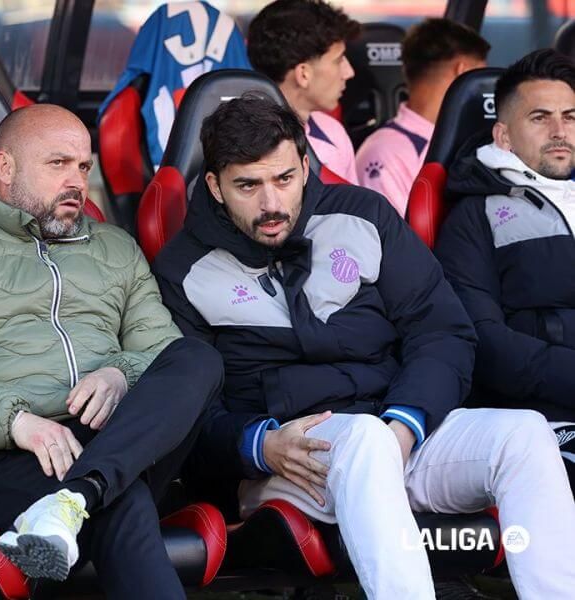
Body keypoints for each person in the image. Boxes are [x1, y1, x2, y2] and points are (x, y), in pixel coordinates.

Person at [153, 93, 575, 599]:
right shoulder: (182, 269)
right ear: (216, 187)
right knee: (367, 442)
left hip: (398, 431)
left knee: (525, 434)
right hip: (288, 457)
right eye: (249, 185)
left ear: (306, 166)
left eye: (285, 179)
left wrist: (408, 421)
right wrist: (257, 444)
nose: (272, 204)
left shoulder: (363, 215)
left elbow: (443, 329)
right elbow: (185, 409)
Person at [0, 104, 223, 597]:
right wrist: (17, 422)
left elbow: (160, 351)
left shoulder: (115, 249)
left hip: (118, 440)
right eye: (58, 164)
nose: (76, 180)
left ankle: (72, 499)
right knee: (123, 502)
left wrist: (120, 374)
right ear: (6, 168)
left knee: (198, 359)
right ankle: (81, 495)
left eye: (83, 167)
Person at [435, 49, 575, 485]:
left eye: (570, 116)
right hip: (538, 416)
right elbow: (482, 341)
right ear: (504, 136)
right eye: (540, 117)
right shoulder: (474, 215)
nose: (559, 132)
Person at [356, 18, 489, 215]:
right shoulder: (385, 152)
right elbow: (395, 241)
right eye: (480, 75)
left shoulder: (470, 141)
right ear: (462, 71)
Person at [247, 0, 360, 184]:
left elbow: (355, 211)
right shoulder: (240, 143)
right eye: (338, 60)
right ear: (303, 74)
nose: (349, 72)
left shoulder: (333, 133)